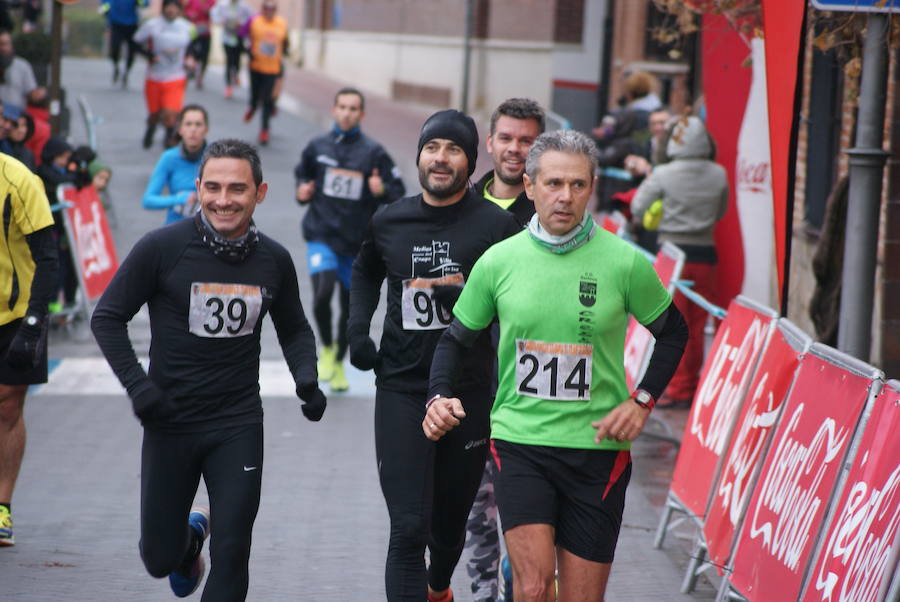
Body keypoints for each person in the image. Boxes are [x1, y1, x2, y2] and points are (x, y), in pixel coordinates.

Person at [425, 129, 688, 602]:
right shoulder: (499, 262)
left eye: (577, 184)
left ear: (591, 188)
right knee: (531, 588)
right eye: (553, 184)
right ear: (529, 186)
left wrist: (642, 401)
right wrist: (439, 395)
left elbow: (674, 333)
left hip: (597, 449)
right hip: (520, 441)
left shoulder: (624, 262)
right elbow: (455, 340)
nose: (565, 197)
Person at [91, 138, 326, 600]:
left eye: (237, 189)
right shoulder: (162, 248)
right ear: (198, 188)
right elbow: (107, 317)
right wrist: (139, 387)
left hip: (236, 421)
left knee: (234, 550)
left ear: (260, 193)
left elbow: (295, 328)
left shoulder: (274, 260)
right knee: (158, 558)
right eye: (213, 187)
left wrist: (307, 378)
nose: (223, 200)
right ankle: (189, 540)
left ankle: (211, 542)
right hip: (170, 420)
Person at [348, 109, 520, 602]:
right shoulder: (389, 219)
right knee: (407, 528)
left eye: (453, 149)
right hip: (402, 387)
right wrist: (357, 332)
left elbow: (518, 302)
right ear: (419, 155)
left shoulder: (498, 226)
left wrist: (469, 303)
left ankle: (439, 586)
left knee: (447, 531)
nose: (440, 158)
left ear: (471, 161)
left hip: (467, 394)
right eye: (432, 148)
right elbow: (365, 271)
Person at [467, 96, 545, 602]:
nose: (515, 149)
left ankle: (522, 581)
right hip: (470, 383)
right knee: (476, 511)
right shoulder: (460, 205)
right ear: (490, 143)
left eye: (527, 140)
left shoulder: (552, 211)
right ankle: (482, 592)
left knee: (529, 517)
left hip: (530, 391)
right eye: (507, 138)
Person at [294, 87, 405, 393]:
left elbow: (397, 192)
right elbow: (303, 177)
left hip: (355, 242)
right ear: (334, 110)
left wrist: (380, 189)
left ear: (362, 114)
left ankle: (339, 362)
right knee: (322, 293)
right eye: (342, 107)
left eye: (353, 108)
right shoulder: (316, 147)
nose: (346, 113)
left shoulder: (374, 152)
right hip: (321, 234)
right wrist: (302, 191)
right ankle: (327, 348)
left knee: (347, 307)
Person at [631, 115, 728, 408]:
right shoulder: (719, 174)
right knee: (697, 327)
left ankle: (676, 389)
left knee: (671, 327)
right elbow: (721, 212)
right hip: (706, 255)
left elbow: (637, 207)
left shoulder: (662, 174)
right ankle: (690, 386)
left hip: (673, 256)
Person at [0, 152, 59, 546]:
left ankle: (2, 506)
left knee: (7, 406)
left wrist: (35, 322)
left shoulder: (18, 179)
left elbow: (48, 259)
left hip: (16, 314)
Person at [133, 0, 197, 149]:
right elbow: (135, 43)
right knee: (155, 114)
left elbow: (193, 46)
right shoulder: (152, 25)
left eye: (175, 8)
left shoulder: (188, 27)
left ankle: (169, 140)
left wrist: (190, 58)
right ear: (163, 9)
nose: (171, 10)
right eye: (168, 7)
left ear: (180, 10)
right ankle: (151, 128)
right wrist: (149, 55)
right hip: (154, 76)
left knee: (170, 113)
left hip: (176, 76)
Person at [142, 104, 208, 224]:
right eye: (188, 124)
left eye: (198, 124)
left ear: (206, 129)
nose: (193, 129)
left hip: (208, 227)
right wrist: (179, 199)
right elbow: (148, 200)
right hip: (176, 226)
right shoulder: (169, 157)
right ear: (180, 129)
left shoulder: (215, 157)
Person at [35, 136, 79, 309]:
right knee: (55, 266)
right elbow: (61, 182)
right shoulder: (43, 172)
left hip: (65, 227)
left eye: (67, 158)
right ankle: (51, 303)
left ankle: (67, 301)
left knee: (68, 266)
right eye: (62, 157)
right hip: (52, 228)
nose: (65, 161)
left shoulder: (65, 171)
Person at [242, 0, 287, 145]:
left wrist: (283, 58)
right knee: (255, 94)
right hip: (256, 66)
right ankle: (253, 106)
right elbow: (243, 35)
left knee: (267, 99)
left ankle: (264, 129)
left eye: (272, 9)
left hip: (272, 68)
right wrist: (248, 50)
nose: (269, 11)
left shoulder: (281, 23)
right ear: (262, 9)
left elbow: (285, 42)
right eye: (266, 8)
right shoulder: (254, 21)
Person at [100, 0, 150, 87]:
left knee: (132, 51)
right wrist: (104, 10)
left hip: (131, 25)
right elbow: (104, 6)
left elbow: (145, 4)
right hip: (116, 25)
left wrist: (139, 1)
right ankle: (116, 67)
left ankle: (126, 73)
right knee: (114, 48)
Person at [210, 0, 253, 99]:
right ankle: (228, 85)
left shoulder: (244, 6)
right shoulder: (223, 4)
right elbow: (214, 13)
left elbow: (251, 18)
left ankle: (235, 75)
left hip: (239, 38)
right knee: (229, 61)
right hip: (227, 38)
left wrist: (241, 23)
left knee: (236, 61)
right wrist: (219, 21)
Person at [0, 29, 47, 109]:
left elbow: (32, 93)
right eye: (1, 44)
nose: (3, 48)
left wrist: (39, 93)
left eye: (6, 44)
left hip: (17, 113)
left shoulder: (22, 65)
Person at [183, 0, 216, 89]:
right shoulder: (192, 1)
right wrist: (191, 14)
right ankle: (190, 72)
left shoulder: (211, 1)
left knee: (204, 56)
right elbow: (186, 12)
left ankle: (200, 77)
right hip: (194, 31)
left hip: (206, 32)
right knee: (192, 53)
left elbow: (216, 15)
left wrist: (208, 10)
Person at [3, 103, 35, 170]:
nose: (21, 130)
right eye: (16, 125)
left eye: (24, 125)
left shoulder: (28, 154)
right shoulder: (3, 149)